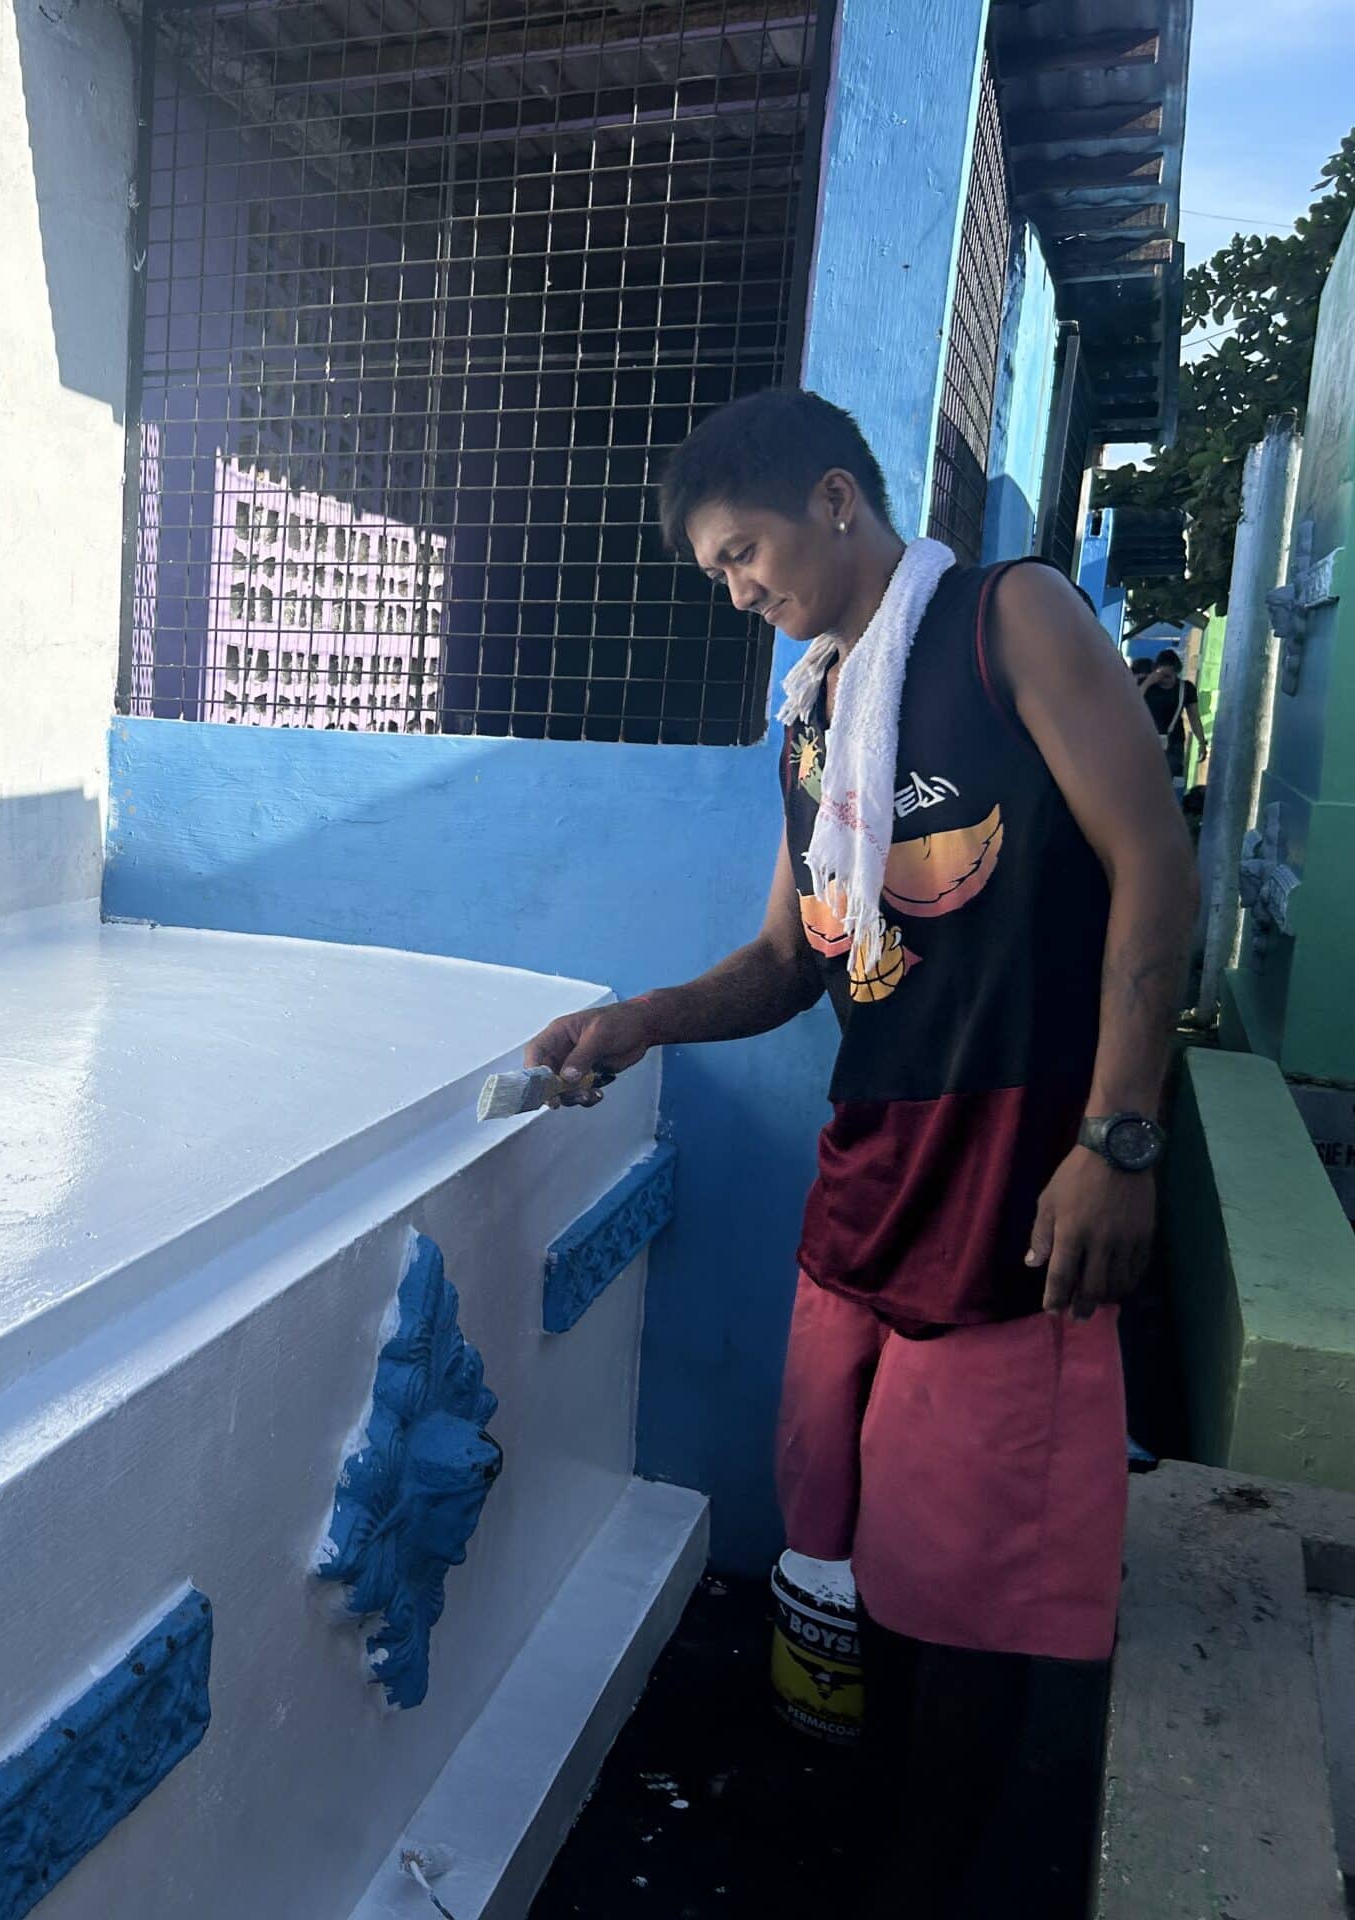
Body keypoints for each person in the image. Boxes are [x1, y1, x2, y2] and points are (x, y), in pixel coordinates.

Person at [524, 389, 1196, 1917]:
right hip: (873, 1182)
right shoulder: (822, 713)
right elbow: (787, 961)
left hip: (1020, 1181)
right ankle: (876, 1808)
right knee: (856, 1534)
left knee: (970, 1577)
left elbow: (1156, 855)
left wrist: (1120, 1136)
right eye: (718, 577)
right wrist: (638, 1023)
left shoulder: (1002, 620)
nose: (741, 592)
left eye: (743, 553)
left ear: (837, 499)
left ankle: (929, 1871)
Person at [1135, 648, 1200, 788]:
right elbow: (1131, 704)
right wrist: (1149, 682)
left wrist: (1201, 742)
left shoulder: (1186, 689)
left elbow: (1194, 717)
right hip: (1145, 740)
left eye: (1169, 676)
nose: (1165, 680)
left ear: (1176, 673)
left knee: (1165, 782)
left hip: (1173, 742)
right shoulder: (1145, 684)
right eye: (1162, 675)